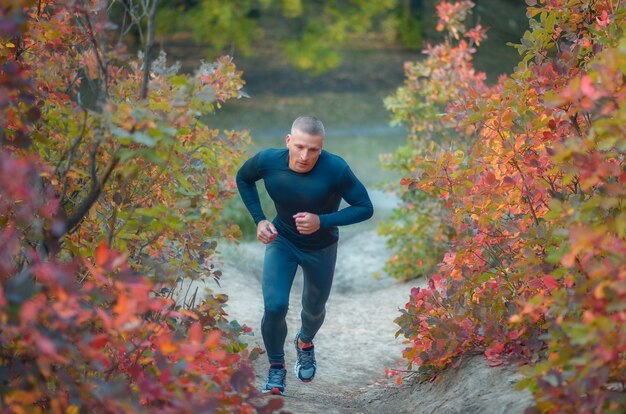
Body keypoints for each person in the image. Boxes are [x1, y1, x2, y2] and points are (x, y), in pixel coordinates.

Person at [235, 116, 374, 395]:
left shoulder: (335, 168)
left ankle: (305, 342)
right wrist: (260, 220)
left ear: (321, 147)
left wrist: (321, 221)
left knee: (313, 309)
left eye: (313, 149)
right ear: (288, 140)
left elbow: (364, 207)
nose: (304, 156)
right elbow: (243, 178)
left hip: (321, 247)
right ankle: (276, 368)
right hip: (282, 240)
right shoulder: (267, 161)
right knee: (275, 307)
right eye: (299, 146)